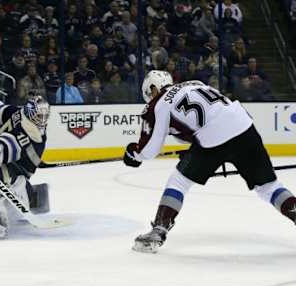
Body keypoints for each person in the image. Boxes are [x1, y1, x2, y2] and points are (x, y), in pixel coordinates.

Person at [123, 70, 296, 253]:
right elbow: (203, 119)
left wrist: (134, 154)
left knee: (179, 180)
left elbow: (149, 149)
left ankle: (158, 231)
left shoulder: (158, 104)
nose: (150, 99)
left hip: (213, 139)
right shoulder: (195, 83)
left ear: (153, 88)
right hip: (244, 126)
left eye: (150, 94)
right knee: (268, 186)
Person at [0, 96, 51, 238]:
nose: (42, 120)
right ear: (29, 112)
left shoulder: (35, 136)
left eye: (45, 116)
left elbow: (8, 147)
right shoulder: (16, 114)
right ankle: (30, 197)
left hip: (18, 175)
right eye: (39, 115)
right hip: (8, 169)